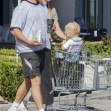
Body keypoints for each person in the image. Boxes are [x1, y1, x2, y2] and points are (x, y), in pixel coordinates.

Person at [17, 0, 67, 111]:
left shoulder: (52, 10)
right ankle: (22, 103)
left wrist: (68, 39)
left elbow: (57, 30)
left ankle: (46, 105)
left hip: (46, 46)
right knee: (34, 77)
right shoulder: (32, 8)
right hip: (34, 46)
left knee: (45, 77)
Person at [8, 0, 50, 111]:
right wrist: (28, 42)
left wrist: (50, 29)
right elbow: (14, 29)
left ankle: (14, 107)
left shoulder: (42, 7)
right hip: (27, 49)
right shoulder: (21, 8)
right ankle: (41, 109)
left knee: (28, 80)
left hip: (41, 48)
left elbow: (45, 25)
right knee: (36, 81)